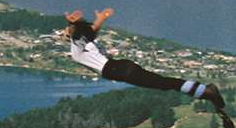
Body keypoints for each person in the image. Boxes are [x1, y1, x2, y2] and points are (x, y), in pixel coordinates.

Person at [62, 8, 224, 109]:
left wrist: (72, 24)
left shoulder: (77, 49)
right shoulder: (89, 43)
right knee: (163, 82)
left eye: (65, 31)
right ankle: (205, 92)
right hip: (122, 67)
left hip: (118, 71)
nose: (63, 33)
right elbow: (92, 30)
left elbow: (78, 33)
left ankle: (207, 92)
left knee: (164, 83)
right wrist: (102, 17)